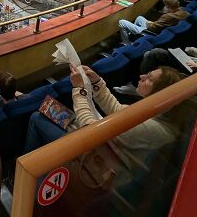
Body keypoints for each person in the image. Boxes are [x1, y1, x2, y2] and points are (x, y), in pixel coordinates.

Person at [24, 65, 184, 154]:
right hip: (102, 138)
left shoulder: (153, 128)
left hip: (92, 151)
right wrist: (97, 83)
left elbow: (91, 133)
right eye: (148, 73)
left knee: (37, 117)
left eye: (150, 79)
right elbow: (118, 110)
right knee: (51, 107)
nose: (142, 76)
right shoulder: (154, 111)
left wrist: (79, 89)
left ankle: (30, 169)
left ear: (160, 93)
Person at [118, 0, 189, 44]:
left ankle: (126, 44)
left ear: (167, 7)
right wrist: (151, 23)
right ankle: (133, 37)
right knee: (139, 18)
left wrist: (150, 23)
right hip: (159, 30)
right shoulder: (184, 12)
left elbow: (152, 28)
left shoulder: (168, 16)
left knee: (122, 22)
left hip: (151, 33)